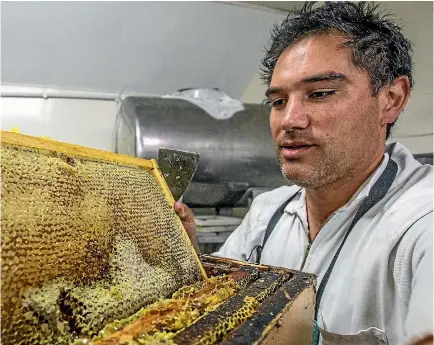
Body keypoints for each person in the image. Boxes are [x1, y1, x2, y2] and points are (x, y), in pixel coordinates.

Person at [175, 2, 433, 344]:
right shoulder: (268, 212)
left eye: (320, 93)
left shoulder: (419, 223)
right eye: (278, 101)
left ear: (391, 98)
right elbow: (212, 300)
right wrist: (181, 252)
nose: (289, 120)